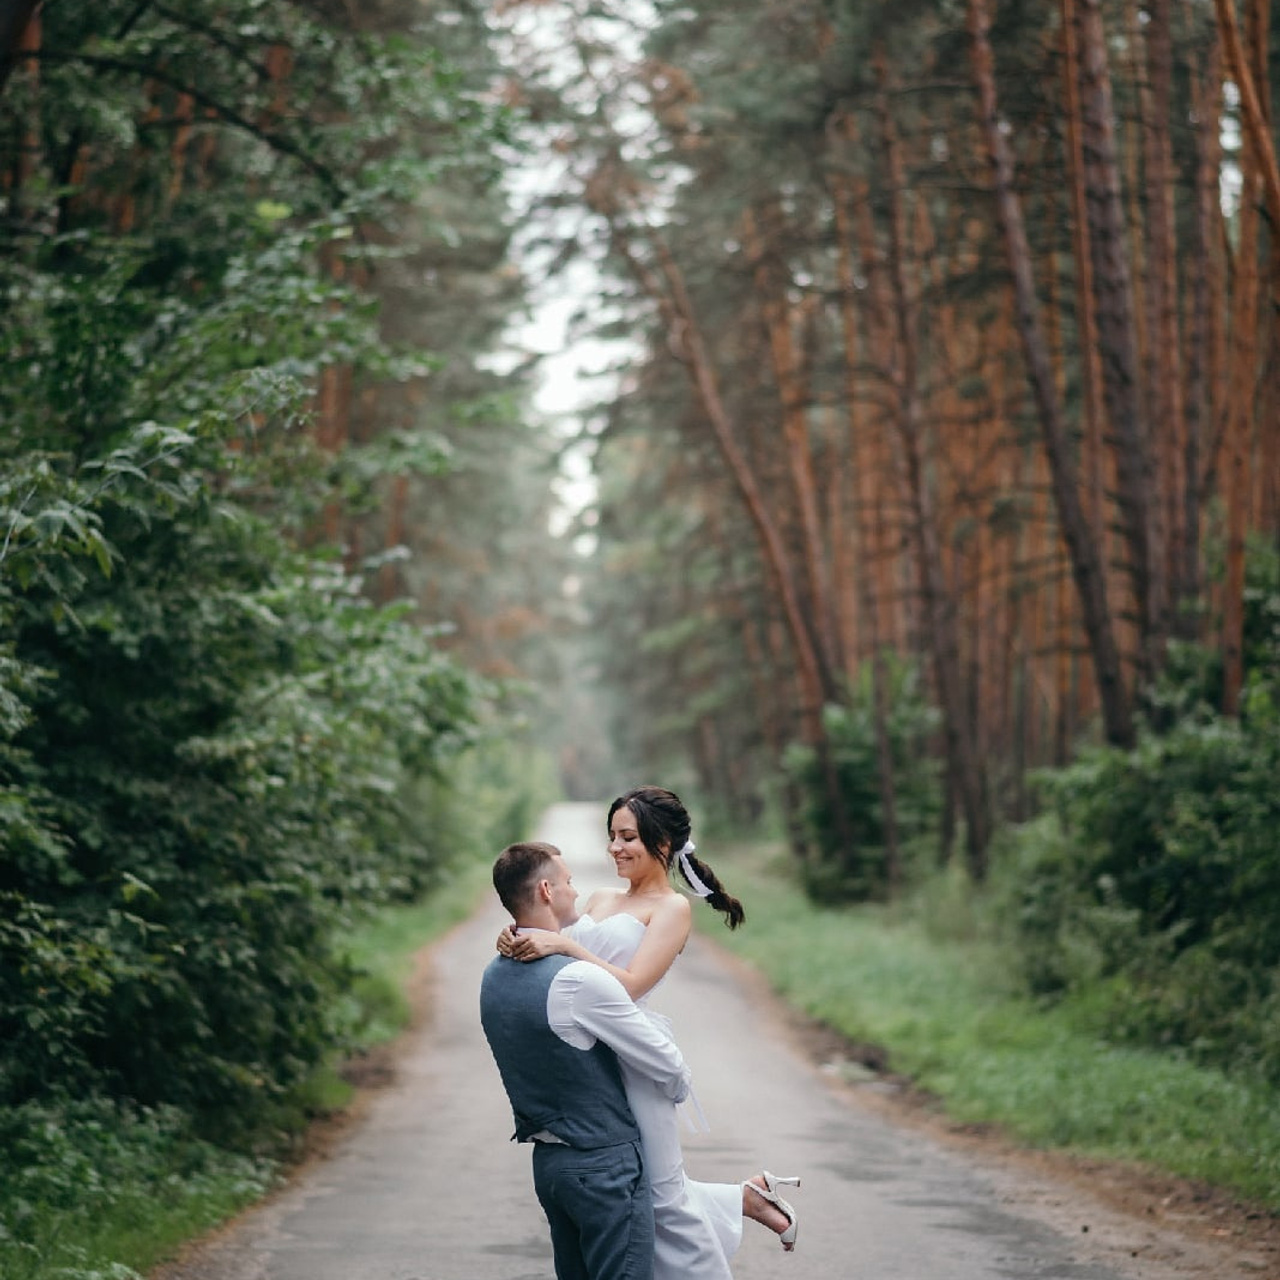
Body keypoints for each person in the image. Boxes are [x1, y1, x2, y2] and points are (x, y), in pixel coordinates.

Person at [498, 786, 801, 1279]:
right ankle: (744, 1196)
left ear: (662, 844)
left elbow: (634, 983)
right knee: (636, 1190)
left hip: (636, 1059)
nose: (615, 847)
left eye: (628, 837)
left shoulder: (672, 909)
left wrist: (566, 949)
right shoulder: (599, 897)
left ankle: (735, 1220)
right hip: (590, 1061)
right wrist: (518, 935)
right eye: (612, 836)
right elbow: (548, 933)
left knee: (661, 1197)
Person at [479, 839, 693, 1280]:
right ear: (545, 890)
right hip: (604, 1164)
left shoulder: (493, 975)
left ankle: (744, 1199)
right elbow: (671, 1069)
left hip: (550, 1166)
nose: (576, 892)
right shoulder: (579, 982)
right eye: (569, 882)